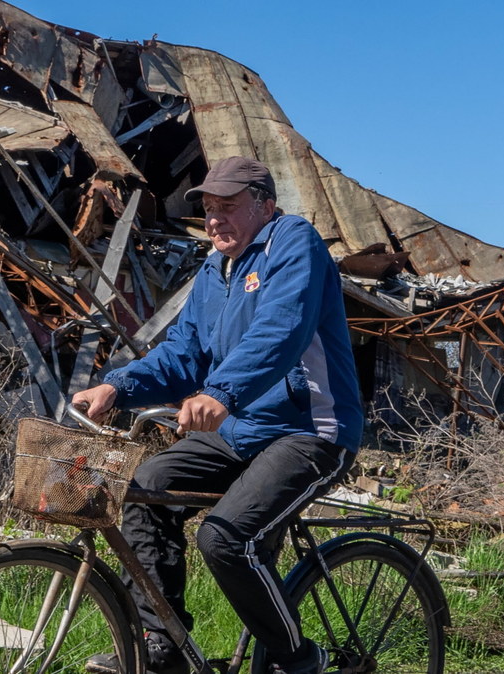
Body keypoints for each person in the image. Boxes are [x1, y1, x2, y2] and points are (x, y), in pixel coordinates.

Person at [77, 156, 364, 674]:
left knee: (226, 537)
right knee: (145, 491)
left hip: (310, 430)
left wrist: (223, 392)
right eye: (208, 209)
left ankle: (296, 658)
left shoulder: (293, 242)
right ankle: (162, 646)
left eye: (228, 207)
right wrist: (115, 387)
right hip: (240, 431)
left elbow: (282, 330)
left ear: (265, 205)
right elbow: (184, 352)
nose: (214, 220)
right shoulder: (215, 268)